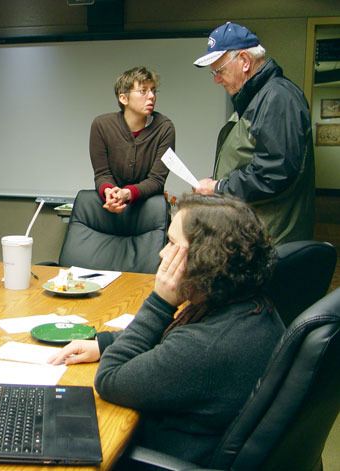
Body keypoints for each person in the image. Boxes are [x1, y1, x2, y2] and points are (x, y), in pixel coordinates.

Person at [49, 193, 284, 466]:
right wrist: (104, 343)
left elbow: (111, 379)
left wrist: (160, 302)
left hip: (157, 456)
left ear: (205, 258)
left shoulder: (205, 347)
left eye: (172, 244)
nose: (162, 253)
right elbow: (171, 338)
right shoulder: (243, 305)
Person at [193, 22, 315, 245]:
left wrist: (219, 187)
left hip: (272, 239)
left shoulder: (278, 97)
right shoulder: (256, 97)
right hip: (256, 233)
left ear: (245, 61)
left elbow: (273, 172)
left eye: (219, 71)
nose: (216, 79)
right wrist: (219, 183)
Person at [90, 66, 175, 213]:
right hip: (110, 210)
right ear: (123, 98)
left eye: (153, 90)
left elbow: (157, 180)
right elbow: (102, 174)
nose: (151, 96)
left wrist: (127, 194)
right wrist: (110, 194)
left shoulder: (164, 128)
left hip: (149, 212)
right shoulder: (101, 126)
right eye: (143, 91)